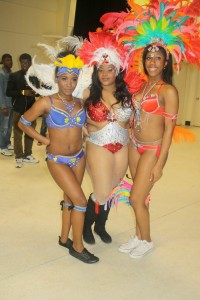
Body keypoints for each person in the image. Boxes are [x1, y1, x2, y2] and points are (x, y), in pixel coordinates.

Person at [113, 0, 200, 258]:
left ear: (165, 63)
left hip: (152, 150)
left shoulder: (168, 91)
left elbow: (169, 132)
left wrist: (160, 164)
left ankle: (147, 241)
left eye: (157, 58)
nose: (152, 61)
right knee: (137, 196)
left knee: (137, 198)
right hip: (134, 145)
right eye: (149, 57)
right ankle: (139, 236)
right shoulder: (140, 87)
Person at [18, 50, 99, 264]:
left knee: (70, 199)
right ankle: (77, 246)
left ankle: (64, 238)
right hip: (58, 160)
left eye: (73, 79)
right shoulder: (46, 103)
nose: (69, 84)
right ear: (56, 78)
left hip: (78, 157)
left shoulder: (80, 102)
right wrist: (45, 141)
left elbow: (83, 123)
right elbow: (23, 123)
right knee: (81, 200)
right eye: (64, 79)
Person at [78, 32, 132, 244]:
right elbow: (76, 118)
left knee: (112, 190)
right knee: (101, 192)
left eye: (109, 69)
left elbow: (134, 121)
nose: (105, 73)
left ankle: (101, 226)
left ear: (117, 70)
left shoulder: (128, 93)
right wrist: (85, 127)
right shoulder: (87, 93)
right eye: (101, 70)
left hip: (122, 146)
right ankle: (85, 226)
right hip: (98, 144)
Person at [6, 53, 39, 168]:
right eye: (22, 62)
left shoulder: (34, 77)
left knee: (30, 133)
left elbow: (38, 91)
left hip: (32, 110)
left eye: (27, 62)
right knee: (18, 133)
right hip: (18, 109)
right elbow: (8, 92)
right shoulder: (14, 76)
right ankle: (19, 156)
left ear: (30, 63)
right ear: (20, 63)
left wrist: (36, 92)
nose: (25, 65)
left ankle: (28, 154)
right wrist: (22, 92)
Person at [0, 53, 13, 156]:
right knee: (3, 127)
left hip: (11, 104)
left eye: (10, 60)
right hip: (4, 105)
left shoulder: (10, 73)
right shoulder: (1, 73)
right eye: (7, 60)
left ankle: (7, 143)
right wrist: (3, 106)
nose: (10, 62)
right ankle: (2, 147)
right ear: (3, 62)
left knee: (9, 126)